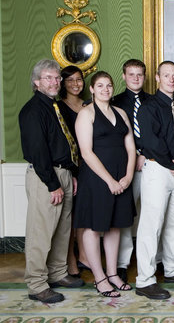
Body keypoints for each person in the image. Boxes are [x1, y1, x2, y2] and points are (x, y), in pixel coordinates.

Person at [19, 59, 85, 304]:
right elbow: (38, 152)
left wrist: (70, 175)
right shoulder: (33, 110)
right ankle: (36, 284)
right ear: (37, 82)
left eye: (57, 77)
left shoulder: (54, 106)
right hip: (46, 176)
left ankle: (57, 273)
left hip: (64, 173)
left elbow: (63, 144)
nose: (55, 81)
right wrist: (52, 183)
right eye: (49, 78)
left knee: (61, 231)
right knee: (41, 232)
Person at [135, 61, 174, 300]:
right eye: (166, 75)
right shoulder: (148, 106)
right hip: (158, 170)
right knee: (151, 226)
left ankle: (173, 269)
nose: (171, 79)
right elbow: (151, 142)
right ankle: (145, 279)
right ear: (157, 77)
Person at [74, 71, 136, 297]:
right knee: (93, 226)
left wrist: (128, 176)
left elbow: (130, 147)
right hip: (97, 179)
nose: (105, 89)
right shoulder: (86, 113)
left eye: (109, 85)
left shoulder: (121, 112)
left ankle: (112, 274)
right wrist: (109, 180)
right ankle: (99, 278)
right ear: (92, 89)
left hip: (121, 176)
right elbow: (86, 153)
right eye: (100, 86)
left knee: (115, 225)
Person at [112, 59, 149, 282]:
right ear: (124, 76)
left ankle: (156, 260)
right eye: (131, 74)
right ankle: (122, 262)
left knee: (153, 215)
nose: (136, 78)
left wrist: (144, 154)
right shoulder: (114, 102)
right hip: (126, 168)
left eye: (140, 74)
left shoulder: (154, 101)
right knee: (125, 216)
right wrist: (132, 157)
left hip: (151, 164)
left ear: (144, 77)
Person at [57, 65, 86, 278]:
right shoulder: (57, 107)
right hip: (70, 166)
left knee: (83, 215)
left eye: (79, 79)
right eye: (70, 80)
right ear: (63, 83)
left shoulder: (90, 105)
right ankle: (70, 259)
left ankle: (85, 256)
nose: (75, 84)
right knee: (68, 217)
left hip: (90, 166)